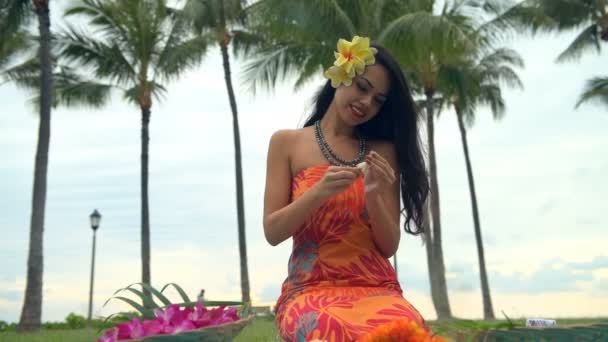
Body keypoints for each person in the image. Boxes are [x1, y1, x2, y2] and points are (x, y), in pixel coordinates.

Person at [263, 36, 430, 342]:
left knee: (405, 331)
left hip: (376, 289)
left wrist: (374, 194)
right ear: (341, 76)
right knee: (328, 329)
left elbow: (389, 246)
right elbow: (272, 232)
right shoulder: (286, 143)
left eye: (379, 100)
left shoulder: (383, 152)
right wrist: (317, 193)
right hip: (311, 289)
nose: (367, 102)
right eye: (363, 87)